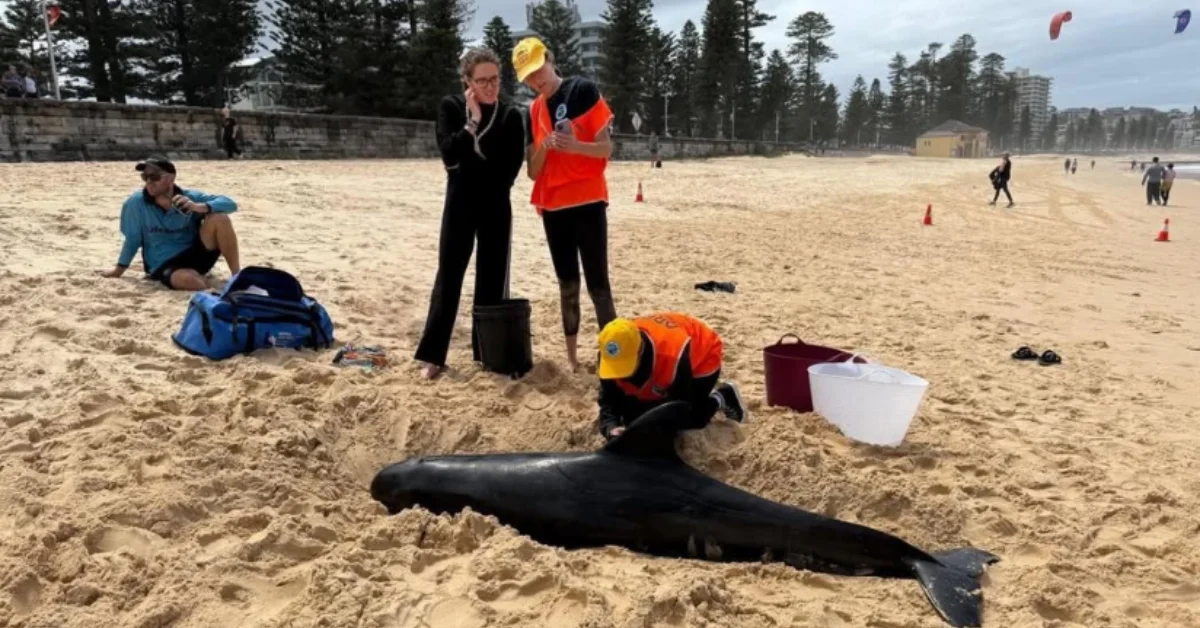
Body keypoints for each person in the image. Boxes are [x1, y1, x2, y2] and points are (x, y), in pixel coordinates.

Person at [414, 47, 527, 380]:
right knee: (448, 277)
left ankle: (488, 353)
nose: (491, 87)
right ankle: (433, 355)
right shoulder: (452, 107)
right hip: (460, 204)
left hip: (496, 205)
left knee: (492, 281)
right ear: (467, 81)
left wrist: (469, 160)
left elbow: (509, 171)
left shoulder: (511, 116)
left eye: (495, 79)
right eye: (482, 81)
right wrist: (473, 122)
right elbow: (448, 155)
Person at [513, 36, 619, 372]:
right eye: (528, 76)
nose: (535, 80)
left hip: (588, 199)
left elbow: (605, 149)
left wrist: (573, 145)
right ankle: (572, 358)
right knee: (567, 284)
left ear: (549, 58)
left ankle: (611, 354)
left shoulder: (582, 90)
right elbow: (532, 171)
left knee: (598, 284)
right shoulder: (531, 110)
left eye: (537, 69)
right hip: (554, 208)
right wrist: (545, 145)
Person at [595, 314, 746, 441]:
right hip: (672, 344)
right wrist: (611, 427)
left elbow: (679, 406)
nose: (620, 375)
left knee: (693, 419)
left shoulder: (674, 358)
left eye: (625, 366)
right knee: (631, 415)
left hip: (704, 354)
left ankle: (723, 396)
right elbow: (608, 399)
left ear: (640, 350)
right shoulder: (610, 354)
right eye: (615, 368)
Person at [99, 156, 241, 291]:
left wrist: (198, 207)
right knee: (189, 280)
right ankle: (210, 289)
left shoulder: (189, 196)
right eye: (145, 177)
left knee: (220, 217)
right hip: (164, 262)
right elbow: (132, 240)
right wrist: (119, 269)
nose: (149, 181)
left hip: (197, 254)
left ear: (171, 178)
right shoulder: (135, 203)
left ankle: (237, 276)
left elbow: (230, 204)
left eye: (155, 177)